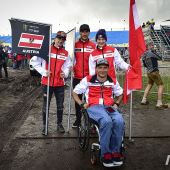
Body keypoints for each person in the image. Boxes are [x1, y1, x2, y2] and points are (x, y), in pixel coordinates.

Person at [73, 58, 124, 167]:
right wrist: (81, 104)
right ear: (96, 69)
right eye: (100, 67)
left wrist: (117, 104)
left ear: (108, 69)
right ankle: (105, 153)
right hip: (93, 107)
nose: (102, 70)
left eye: (105, 68)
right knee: (106, 121)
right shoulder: (88, 79)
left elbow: (120, 93)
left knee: (119, 120)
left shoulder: (113, 81)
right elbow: (75, 92)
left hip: (109, 106)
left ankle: (115, 152)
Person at [30, 31, 71, 135]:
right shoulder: (45, 50)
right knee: (46, 105)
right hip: (47, 83)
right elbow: (34, 62)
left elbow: (68, 66)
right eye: (59, 38)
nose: (60, 41)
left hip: (60, 84)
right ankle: (45, 126)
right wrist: (44, 72)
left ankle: (59, 124)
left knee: (60, 106)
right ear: (55, 38)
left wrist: (65, 73)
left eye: (63, 39)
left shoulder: (65, 53)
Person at [72, 24, 96, 128]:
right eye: (82, 31)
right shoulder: (74, 45)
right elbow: (70, 59)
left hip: (89, 78)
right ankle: (78, 119)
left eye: (86, 31)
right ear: (80, 32)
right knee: (77, 100)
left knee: (89, 100)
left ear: (89, 32)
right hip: (77, 77)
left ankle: (90, 121)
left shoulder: (93, 45)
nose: (84, 33)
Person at [141, 43, 168, 108]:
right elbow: (160, 57)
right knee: (161, 85)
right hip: (154, 72)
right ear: (148, 46)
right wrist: (155, 51)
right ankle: (159, 102)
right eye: (152, 45)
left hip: (148, 72)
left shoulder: (144, 54)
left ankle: (143, 100)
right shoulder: (151, 53)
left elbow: (144, 64)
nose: (153, 46)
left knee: (149, 84)